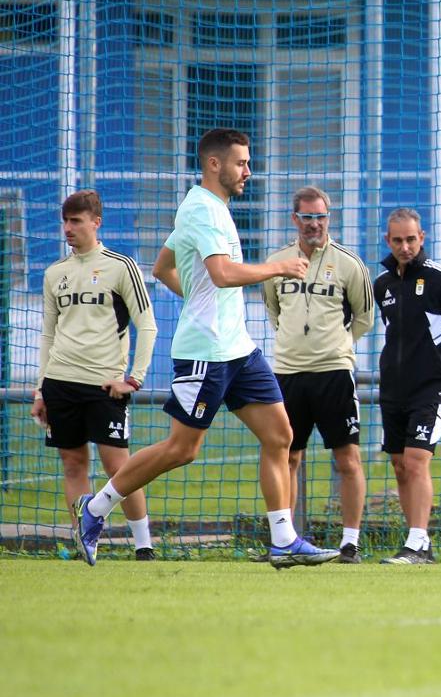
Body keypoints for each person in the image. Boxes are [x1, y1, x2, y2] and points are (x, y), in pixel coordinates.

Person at [72, 128, 338, 568]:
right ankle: (95, 508)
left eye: (248, 163)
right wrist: (278, 268)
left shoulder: (211, 208)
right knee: (182, 449)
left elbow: (164, 267)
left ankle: (283, 540)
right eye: (241, 163)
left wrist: (198, 299)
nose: (248, 171)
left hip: (239, 349)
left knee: (280, 435)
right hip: (206, 353)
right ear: (215, 164)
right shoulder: (201, 210)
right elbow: (222, 274)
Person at [34, 190, 158, 561]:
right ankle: (85, 543)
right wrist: (40, 390)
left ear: (96, 222)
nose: (68, 228)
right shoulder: (55, 273)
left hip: (106, 385)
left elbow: (147, 325)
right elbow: (48, 334)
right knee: (73, 464)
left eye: (76, 221)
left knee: (120, 467)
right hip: (60, 383)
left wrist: (133, 379)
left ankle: (144, 546)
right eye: (65, 221)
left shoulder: (122, 267)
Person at [262, 186, 374, 564]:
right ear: (294, 219)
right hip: (288, 373)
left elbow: (364, 317)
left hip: (334, 373)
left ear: (329, 218)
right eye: (307, 217)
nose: (314, 224)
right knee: (287, 458)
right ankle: (286, 540)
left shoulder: (350, 264)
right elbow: (273, 309)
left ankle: (350, 544)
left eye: (321, 217)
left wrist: (337, 345)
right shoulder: (276, 262)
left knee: (347, 458)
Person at [373, 208, 441, 565]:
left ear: (422, 237)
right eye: (398, 240)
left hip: (431, 386)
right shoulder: (382, 284)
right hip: (392, 387)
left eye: (411, 239)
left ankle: (415, 544)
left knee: (416, 461)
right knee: (400, 465)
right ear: (388, 241)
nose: (405, 246)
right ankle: (420, 542)